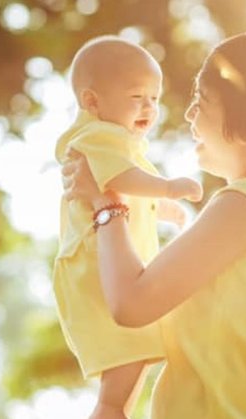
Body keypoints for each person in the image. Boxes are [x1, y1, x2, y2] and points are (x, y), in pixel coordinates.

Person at [61, 31, 246, 418]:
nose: (188, 115)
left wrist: (105, 202)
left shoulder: (244, 205)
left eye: (201, 102)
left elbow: (131, 304)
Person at [53, 36, 203, 419]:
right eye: (137, 97)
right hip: (97, 273)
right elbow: (122, 178)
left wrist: (159, 207)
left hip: (104, 270)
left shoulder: (116, 142)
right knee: (126, 364)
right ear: (92, 101)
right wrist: (168, 187)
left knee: (133, 362)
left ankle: (112, 410)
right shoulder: (100, 136)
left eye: (154, 98)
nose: (149, 109)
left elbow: (126, 188)